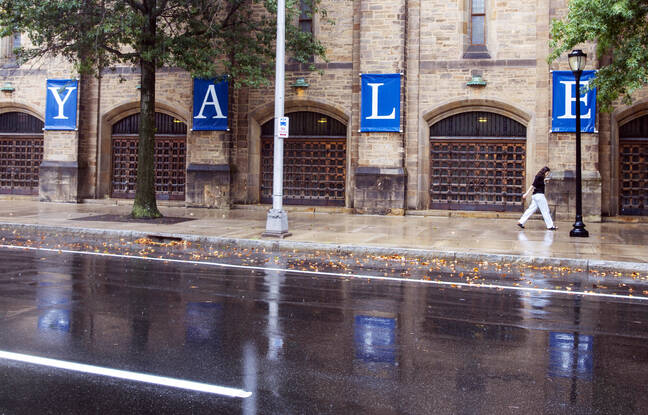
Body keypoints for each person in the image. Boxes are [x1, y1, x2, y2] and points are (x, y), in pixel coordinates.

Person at [517, 166, 556, 230]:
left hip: (535, 196)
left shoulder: (540, 177)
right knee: (545, 210)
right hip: (539, 196)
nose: (547, 174)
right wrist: (526, 194)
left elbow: (538, 184)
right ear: (545, 171)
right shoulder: (539, 177)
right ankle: (550, 226)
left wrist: (545, 181)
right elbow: (533, 185)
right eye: (547, 173)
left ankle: (521, 222)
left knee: (530, 210)